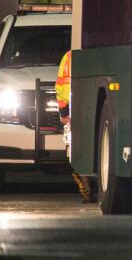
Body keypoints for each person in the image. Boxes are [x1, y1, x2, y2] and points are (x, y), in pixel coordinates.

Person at [57, 50, 94, 203]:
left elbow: (61, 87)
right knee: (84, 147)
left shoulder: (68, 57)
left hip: (74, 109)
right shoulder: (90, 54)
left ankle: (87, 187)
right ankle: (88, 186)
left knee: (77, 149)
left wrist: (63, 112)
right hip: (87, 106)